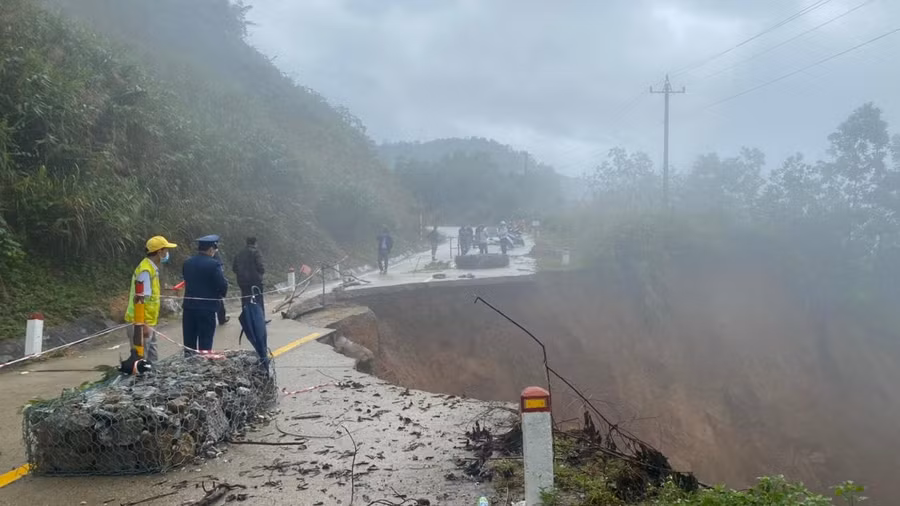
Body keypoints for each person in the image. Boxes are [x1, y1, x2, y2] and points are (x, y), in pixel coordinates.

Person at [124, 235, 177, 363]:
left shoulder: (151, 268)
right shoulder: (146, 270)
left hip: (147, 321)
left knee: (152, 358)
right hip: (139, 322)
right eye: (166, 250)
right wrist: (144, 324)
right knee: (141, 360)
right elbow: (141, 298)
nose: (167, 253)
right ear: (160, 252)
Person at [182, 235, 228, 353]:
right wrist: (221, 294)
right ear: (211, 250)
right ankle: (203, 367)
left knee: (189, 342)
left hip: (189, 308)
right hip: (207, 309)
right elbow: (222, 285)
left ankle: (188, 365)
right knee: (205, 341)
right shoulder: (214, 264)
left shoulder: (187, 263)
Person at [233, 236, 266, 313]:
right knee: (258, 300)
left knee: (245, 301)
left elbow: (234, 268)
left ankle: (247, 319)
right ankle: (260, 320)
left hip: (243, 282)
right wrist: (260, 275)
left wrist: (241, 275)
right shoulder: (256, 252)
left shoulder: (239, 253)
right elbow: (260, 266)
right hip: (255, 281)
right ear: (255, 243)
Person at [213, 249, 230, 325]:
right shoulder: (215, 254)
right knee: (219, 302)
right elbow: (219, 268)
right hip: (215, 284)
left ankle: (221, 318)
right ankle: (221, 319)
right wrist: (223, 291)